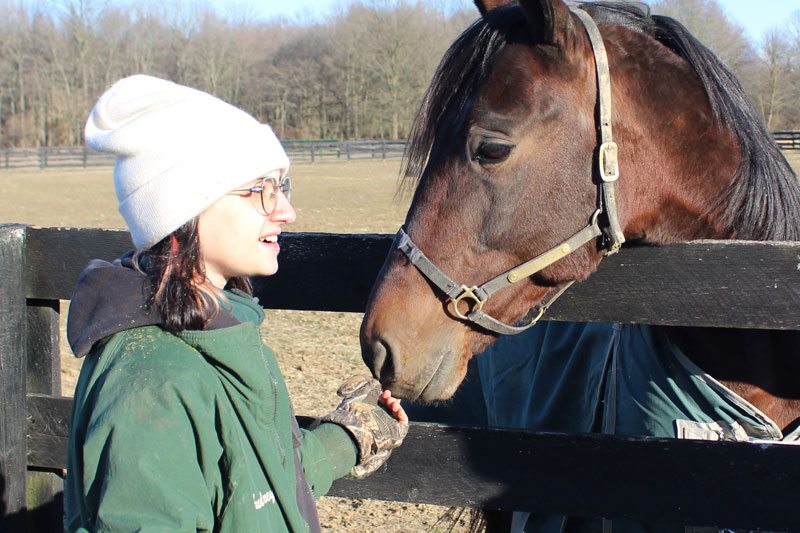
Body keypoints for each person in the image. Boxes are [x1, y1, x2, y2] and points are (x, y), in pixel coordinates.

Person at [65, 74, 408, 533]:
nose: (286, 211)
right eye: (261, 189)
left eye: (283, 187)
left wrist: (349, 436)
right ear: (188, 208)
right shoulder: (153, 384)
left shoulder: (223, 332)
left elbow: (260, 476)